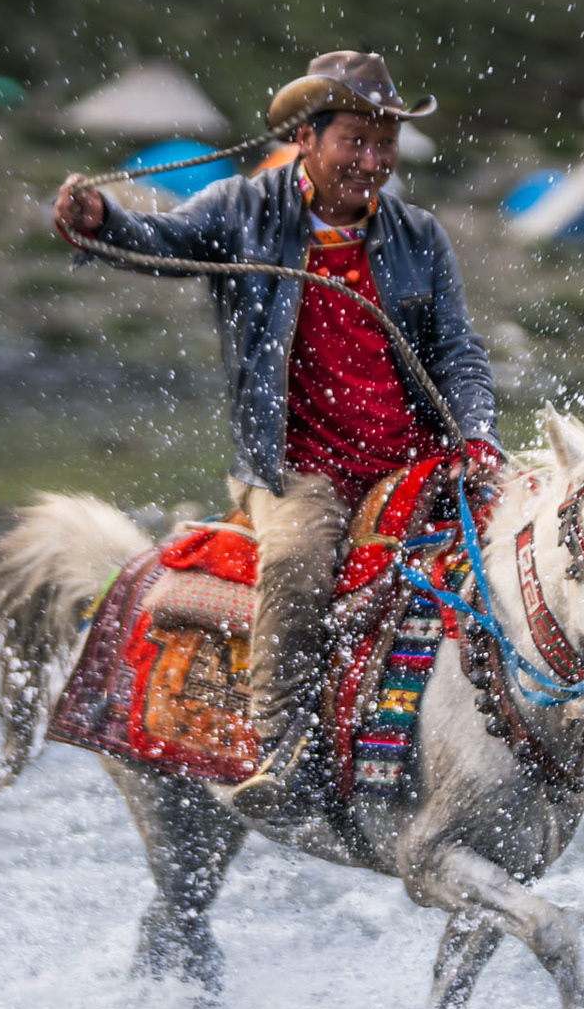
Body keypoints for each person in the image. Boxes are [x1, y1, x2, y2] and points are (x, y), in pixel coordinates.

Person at [53, 51, 503, 819]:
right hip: (297, 465)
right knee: (297, 564)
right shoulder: (243, 208)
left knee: (521, 548)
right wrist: (102, 223)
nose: (373, 161)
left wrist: (478, 433)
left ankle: (517, 740)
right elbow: (159, 243)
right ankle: (281, 751)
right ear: (308, 137)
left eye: (385, 144)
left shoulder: (419, 235)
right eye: (354, 142)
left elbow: (458, 351)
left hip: (410, 460)